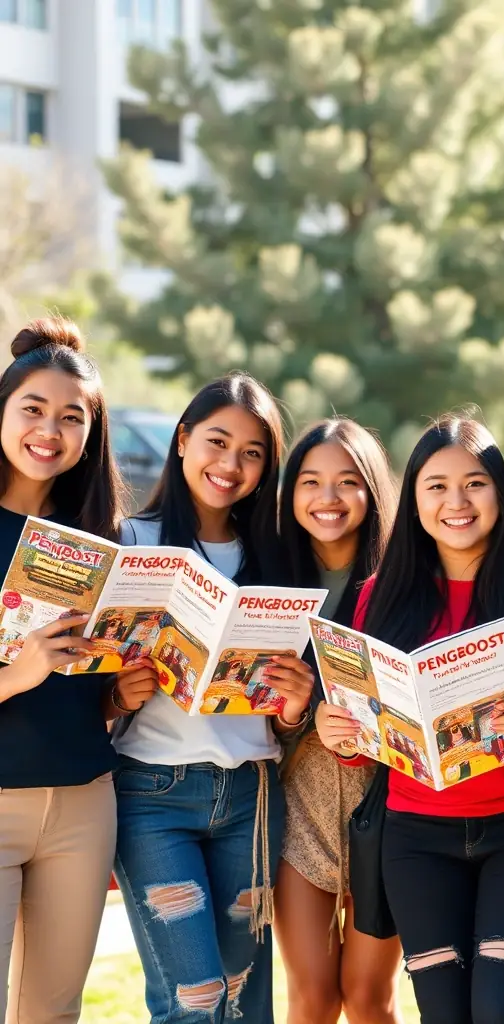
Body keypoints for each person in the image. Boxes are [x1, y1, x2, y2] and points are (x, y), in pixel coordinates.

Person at [316, 415, 504, 1024]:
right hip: (416, 837)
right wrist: (341, 735)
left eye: (474, 483)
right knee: (444, 1015)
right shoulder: (379, 596)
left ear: (501, 490)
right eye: (436, 486)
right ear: (414, 498)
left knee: (502, 1011)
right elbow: (365, 739)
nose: (456, 502)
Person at [112, 373, 315, 1024]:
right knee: (194, 1002)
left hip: (251, 800)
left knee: (246, 1001)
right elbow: (89, 688)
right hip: (152, 797)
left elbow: (284, 720)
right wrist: (116, 694)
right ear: (181, 441)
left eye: (252, 453)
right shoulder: (130, 542)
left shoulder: (278, 560)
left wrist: (292, 707)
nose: (230, 465)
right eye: (217, 442)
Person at [0, 318, 154, 1023]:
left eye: (72, 417)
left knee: (54, 1011)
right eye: (33, 408)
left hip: (85, 803)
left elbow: (92, 699)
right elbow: (33, 674)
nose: (50, 430)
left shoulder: (107, 540)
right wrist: (19, 670)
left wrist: (122, 695)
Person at [274, 418, 403, 1024]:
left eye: (347, 482)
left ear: (373, 490)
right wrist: (298, 713)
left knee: (370, 999)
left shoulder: (405, 583)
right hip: (301, 809)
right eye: (310, 481)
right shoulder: (270, 577)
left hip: (391, 807)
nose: (327, 498)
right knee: (313, 998)